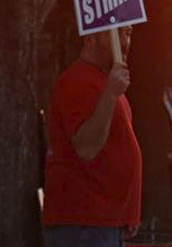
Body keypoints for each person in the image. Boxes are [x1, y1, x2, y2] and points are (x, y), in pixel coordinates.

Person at [43, 27, 141, 247]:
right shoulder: (76, 81)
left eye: (128, 34)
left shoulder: (105, 82)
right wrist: (110, 94)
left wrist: (127, 210)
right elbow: (86, 148)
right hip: (83, 221)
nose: (125, 43)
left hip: (104, 221)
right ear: (90, 38)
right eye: (117, 35)